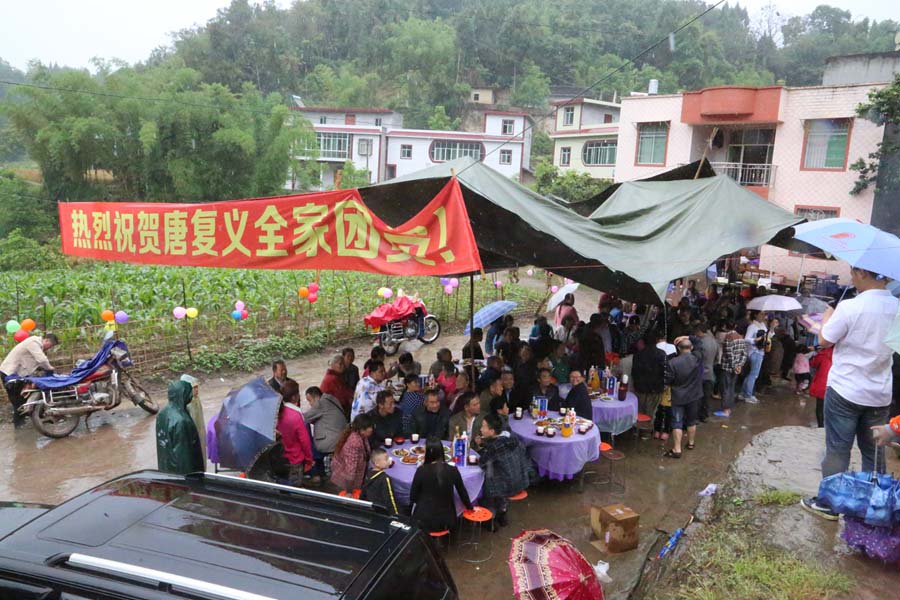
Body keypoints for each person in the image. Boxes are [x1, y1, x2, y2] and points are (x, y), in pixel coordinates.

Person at [802, 268, 899, 520]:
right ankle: (874, 507)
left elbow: (824, 340)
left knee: (837, 449)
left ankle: (829, 505)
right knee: (874, 450)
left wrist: (827, 317)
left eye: (853, 271)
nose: (851, 276)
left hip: (845, 389)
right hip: (879, 393)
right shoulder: (897, 308)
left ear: (862, 273)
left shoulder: (850, 307)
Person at [410, 437, 474, 533]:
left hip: (423, 521)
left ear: (429, 453)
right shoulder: (453, 470)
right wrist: (470, 508)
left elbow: (413, 497)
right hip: (447, 521)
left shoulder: (421, 470)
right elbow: (463, 493)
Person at [478, 414, 531, 529]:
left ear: (492, 431)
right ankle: (503, 513)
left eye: (483, 427)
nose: (481, 429)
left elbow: (482, 463)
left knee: (488, 481)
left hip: (504, 486)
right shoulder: (512, 438)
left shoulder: (495, 447)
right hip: (520, 481)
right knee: (499, 473)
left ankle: (490, 520)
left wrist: (482, 446)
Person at [0, 332, 59, 427]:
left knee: (25, 397)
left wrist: (41, 368)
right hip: (9, 374)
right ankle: (19, 427)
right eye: (50, 345)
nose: (49, 348)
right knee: (18, 401)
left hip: (17, 374)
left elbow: (33, 360)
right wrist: (50, 368)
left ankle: (35, 420)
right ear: (46, 340)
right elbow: (42, 359)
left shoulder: (35, 344)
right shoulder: (33, 342)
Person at [663, 336, 703, 458]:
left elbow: (668, 381)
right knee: (691, 421)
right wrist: (686, 337)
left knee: (677, 422)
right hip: (694, 395)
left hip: (678, 396)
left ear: (678, 349)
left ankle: (677, 449)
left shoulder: (672, 363)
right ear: (690, 348)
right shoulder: (697, 358)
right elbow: (699, 342)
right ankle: (690, 443)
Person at [155, 380, 204, 475]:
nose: (191, 396)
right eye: (189, 393)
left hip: (165, 468)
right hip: (181, 473)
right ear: (183, 395)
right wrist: (191, 478)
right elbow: (184, 455)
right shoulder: (182, 421)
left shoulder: (162, 414)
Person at [277, 379, 314, 486]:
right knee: (294, 487)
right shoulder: (296, 414)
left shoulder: (276, 411)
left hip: (279, 458)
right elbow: (305, 441)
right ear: (294, 397)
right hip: (295, 459)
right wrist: (309, 459)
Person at [631, 332, 666, 435]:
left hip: (640, 388)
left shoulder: (638, 354)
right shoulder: (661, 354)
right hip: (656, 389)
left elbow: (634, 372)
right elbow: (665, 371)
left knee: (640, 411)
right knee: (651, 412)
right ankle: (646, 432)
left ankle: (638, 431)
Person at [330, 414, 373, 492]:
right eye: (369, 427)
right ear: (362, 430)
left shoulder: (362, 436)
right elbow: (350, 470)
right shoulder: (354, 443)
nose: (371, 429)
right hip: (346, 483)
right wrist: (349, 491)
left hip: (355, 478)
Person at [302, 386, 347, 455]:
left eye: (310, 400)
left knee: (311, 450)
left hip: (333, 443)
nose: (310, 404)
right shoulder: (330, 398)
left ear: (316, 397)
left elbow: (303, 417)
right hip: (341, 436)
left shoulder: (320, 403)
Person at [715, 325, 747, 418]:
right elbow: (744, 354)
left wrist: (734, 366)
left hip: (727, 368)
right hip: (736, 369)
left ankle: (726, 410)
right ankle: (729, 408)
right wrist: (739, 365)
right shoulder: (741, 338)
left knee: (725, 389)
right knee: (731, 388)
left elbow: (729, 355)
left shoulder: (729, 337)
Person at [361, 448, 399, 514]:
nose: (389, 460)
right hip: (380, 510)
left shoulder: (368, 472)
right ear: (377, 463)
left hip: (369, 507)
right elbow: (390, 498)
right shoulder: (385, 478)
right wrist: (395, 514)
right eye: (386, 459)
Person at [695, 323, 719, 422]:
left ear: (700, 332)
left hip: (700, 373)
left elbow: (696, 359)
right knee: (706, 396)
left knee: (697, 396)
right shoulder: (714, 342)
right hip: (710, 373)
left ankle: (696, 416)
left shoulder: (699, 343)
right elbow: (717, 358)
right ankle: (705, 415)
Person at [808, 346, 834, 428]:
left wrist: (815, 354)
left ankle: (821, 426)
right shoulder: (842, 354)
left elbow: (813, 364)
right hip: (836, 385)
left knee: (820, 407)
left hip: (823, 384)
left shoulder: (823, 354)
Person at [739, 330, 766, 404]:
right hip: (757, 355)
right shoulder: (762, 343)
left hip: (752, 354)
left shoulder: (755, 342)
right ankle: (748, 395)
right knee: (753, 376)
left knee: (749, 375)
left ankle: (743, 393)